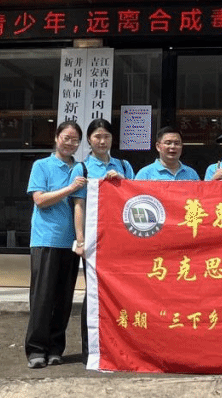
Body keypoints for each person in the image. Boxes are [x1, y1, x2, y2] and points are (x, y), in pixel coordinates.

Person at [25, 121, 86, 369]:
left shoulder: (79, 168)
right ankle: (36, 349)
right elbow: (40, 200)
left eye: (75, 140)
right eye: (66, 138)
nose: (70, 143)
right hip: (46, 240)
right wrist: (70, 188)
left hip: (70, 243)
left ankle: (55, 349)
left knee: (63, 300)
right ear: (56, 137)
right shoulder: (42, 166)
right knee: (42, 298)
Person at [70, 118, 133, 359]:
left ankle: (121, 345)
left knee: (122, 291)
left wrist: (122, 183)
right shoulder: (82, 168)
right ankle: (92, 348)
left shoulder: (124, 166)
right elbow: (78, 206)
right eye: (97, 136)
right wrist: (81, 240)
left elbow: (136, 198)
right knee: (95, 292)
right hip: (95, 240)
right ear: (89, 140)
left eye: (106, 136)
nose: (102, 141)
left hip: (122, 240)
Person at [134, 125, 201, 181]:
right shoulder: (145, 174)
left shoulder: (191, 174)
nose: (173, 147)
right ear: (158, 146)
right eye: (168, 143)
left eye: (177, 143)